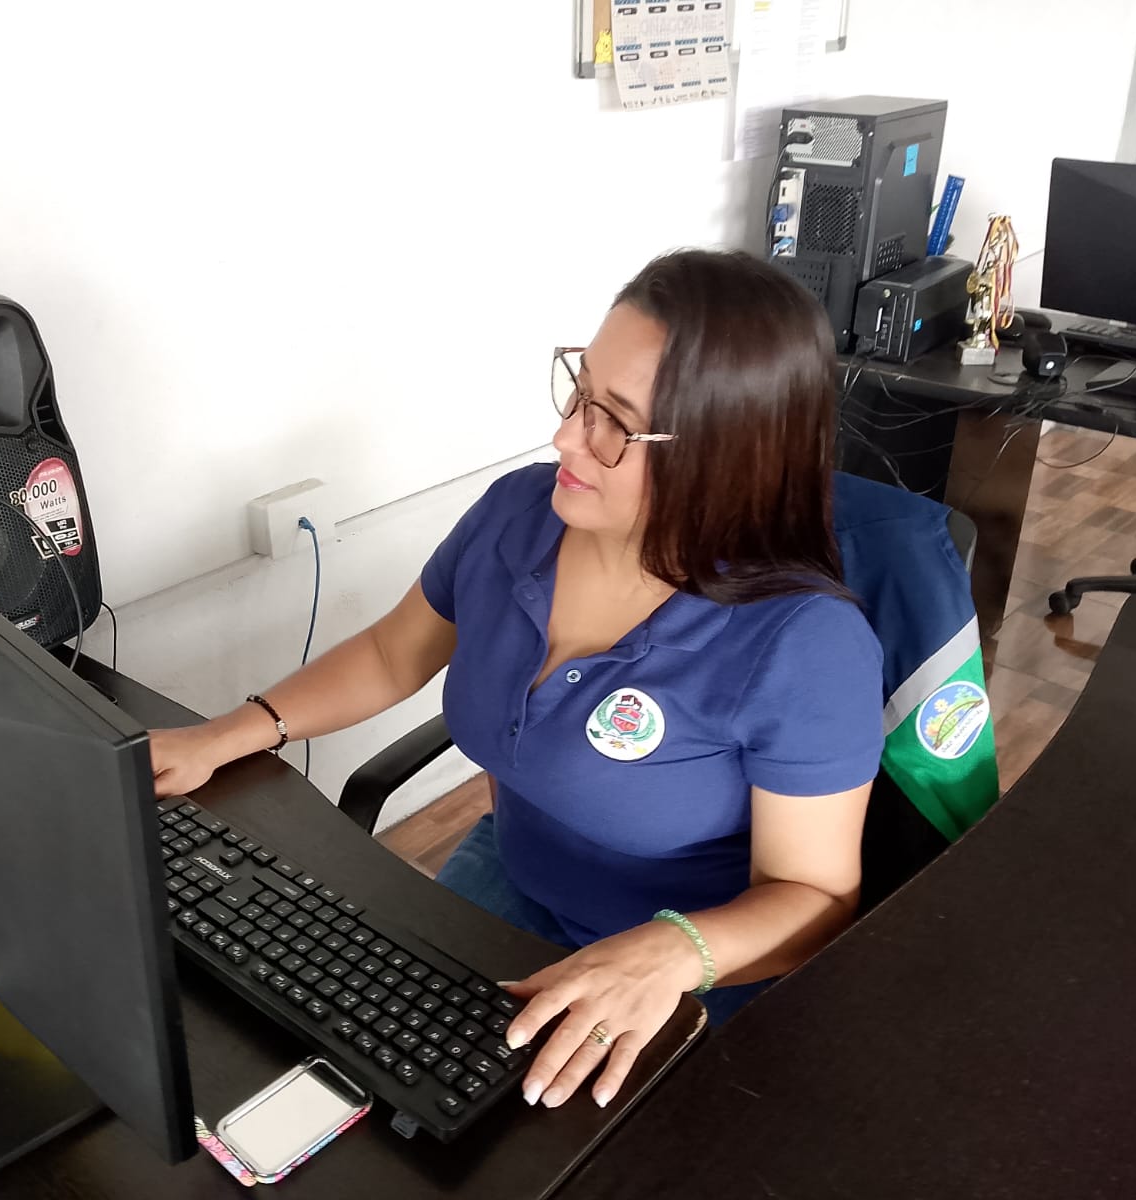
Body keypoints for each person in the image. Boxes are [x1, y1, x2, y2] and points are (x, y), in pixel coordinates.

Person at [149, 249, 884, 1112]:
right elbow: (392, 654)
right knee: (342, 1069)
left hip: (685, 968)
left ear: (728, 456)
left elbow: (816, 897)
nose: (567, 437)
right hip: (515, 880)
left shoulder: (804, 644)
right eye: (579, 392)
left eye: (615, 424)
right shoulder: (519, 514)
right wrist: (227, 734)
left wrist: (673, 952)